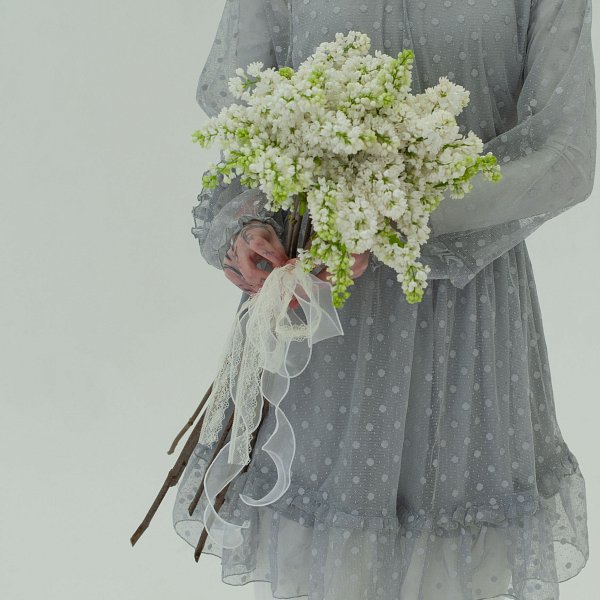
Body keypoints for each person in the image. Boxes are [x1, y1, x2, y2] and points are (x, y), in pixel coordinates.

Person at [172, 1, 596, 599]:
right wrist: (247, 226)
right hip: (318, 315)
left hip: (462, 323)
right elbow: (242, 108)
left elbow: (566, 154)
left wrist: (390, 216)